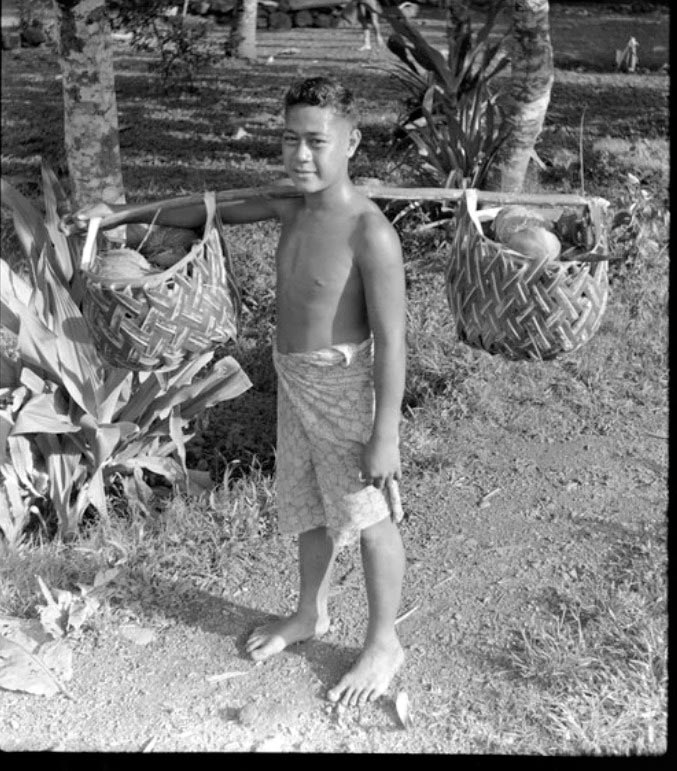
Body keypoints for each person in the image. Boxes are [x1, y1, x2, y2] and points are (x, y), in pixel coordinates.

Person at [69, 76, 407, 708]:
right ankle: (310, 613)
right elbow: (206, 208)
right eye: (289, 141)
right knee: (308, 507)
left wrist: (384, 432)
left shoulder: (370, 233)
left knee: (368, 517)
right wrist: (120, 218)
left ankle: (385, 640)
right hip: (293, 379)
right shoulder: (289, 204)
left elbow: (393, 342)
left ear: (352, 143)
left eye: (316, 142)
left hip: (343, 389)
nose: (300, 156)